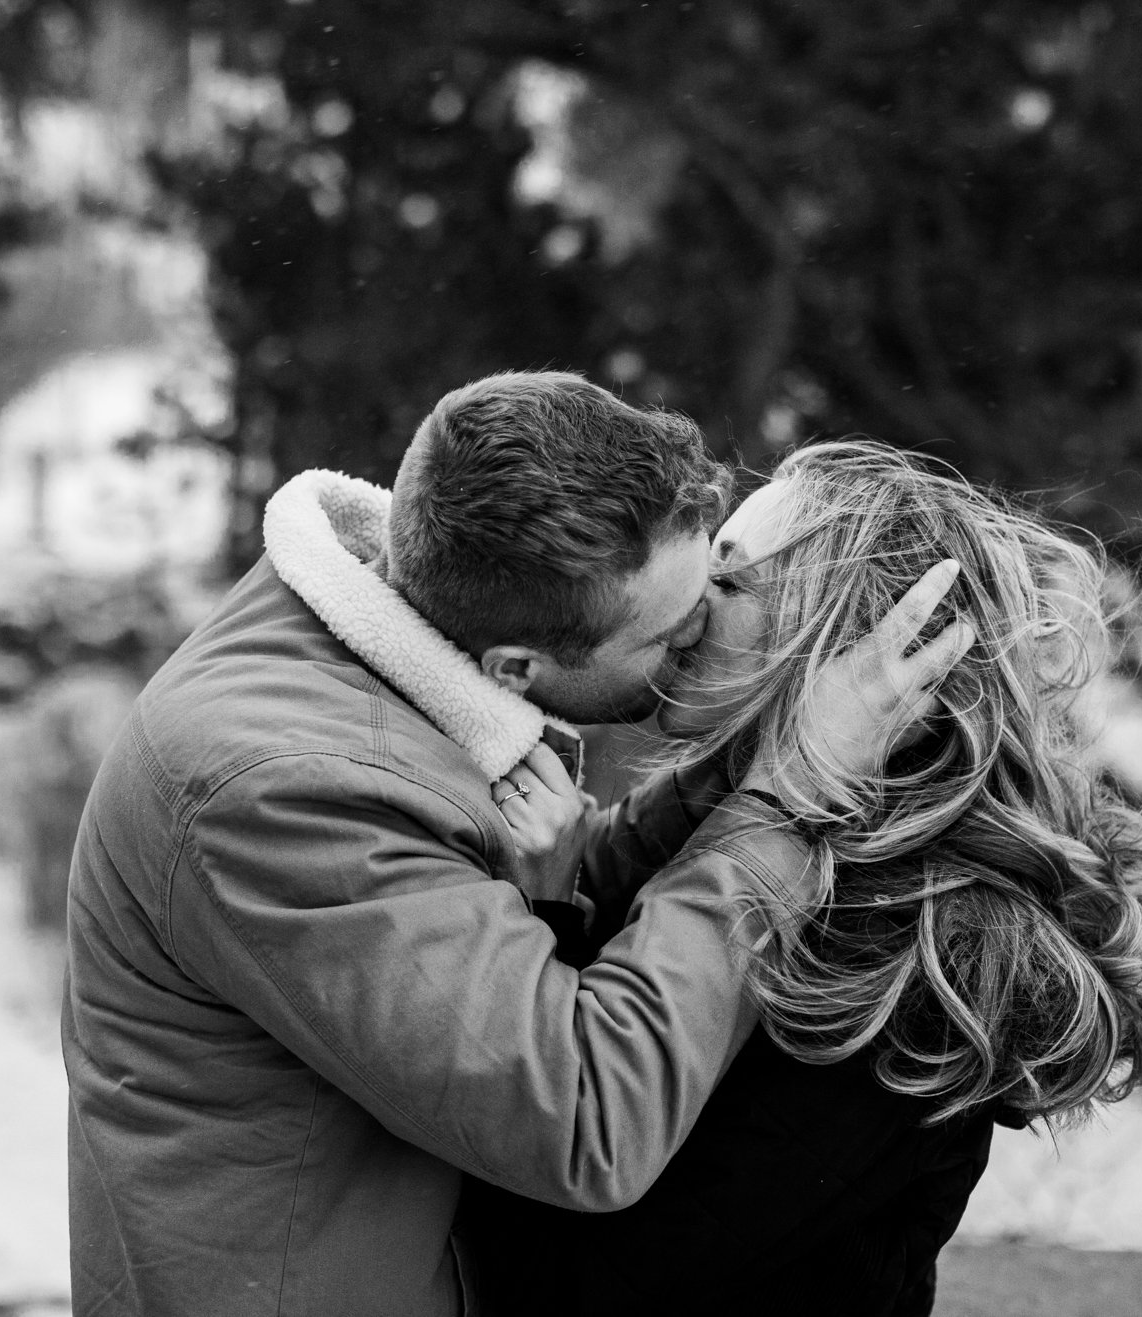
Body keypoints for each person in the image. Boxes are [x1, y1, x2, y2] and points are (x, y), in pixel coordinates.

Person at [61, 373, 974, 1316]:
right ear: (519, 668)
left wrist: (756, 746)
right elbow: (586, 1120)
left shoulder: (387, 642)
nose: (702, 634)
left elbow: (449, 929)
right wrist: (789, 796)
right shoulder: (283, 789)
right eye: (673, 630)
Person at [464, 440, 1142, 1316]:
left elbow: (565, 1285)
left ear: (844, 653)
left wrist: (542, 918)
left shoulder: (920, 960)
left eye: (732, 581)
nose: (687, 601)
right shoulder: (748, 798)